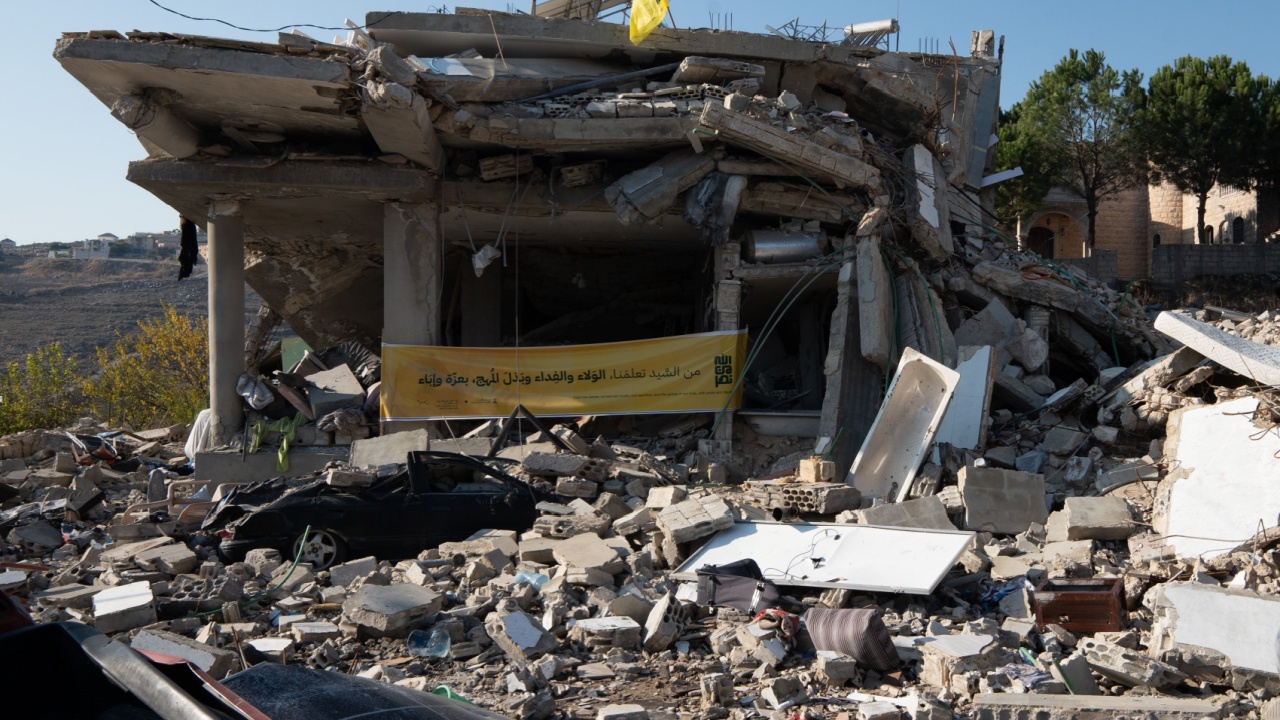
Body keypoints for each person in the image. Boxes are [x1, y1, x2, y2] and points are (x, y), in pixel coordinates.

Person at [177, 215, 198, 280]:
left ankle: (184, 272)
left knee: (185, 260)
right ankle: (184, 272)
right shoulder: (188, 226)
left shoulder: (186, 227)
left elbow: (185, 241)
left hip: (188, 250)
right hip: (189, 250)